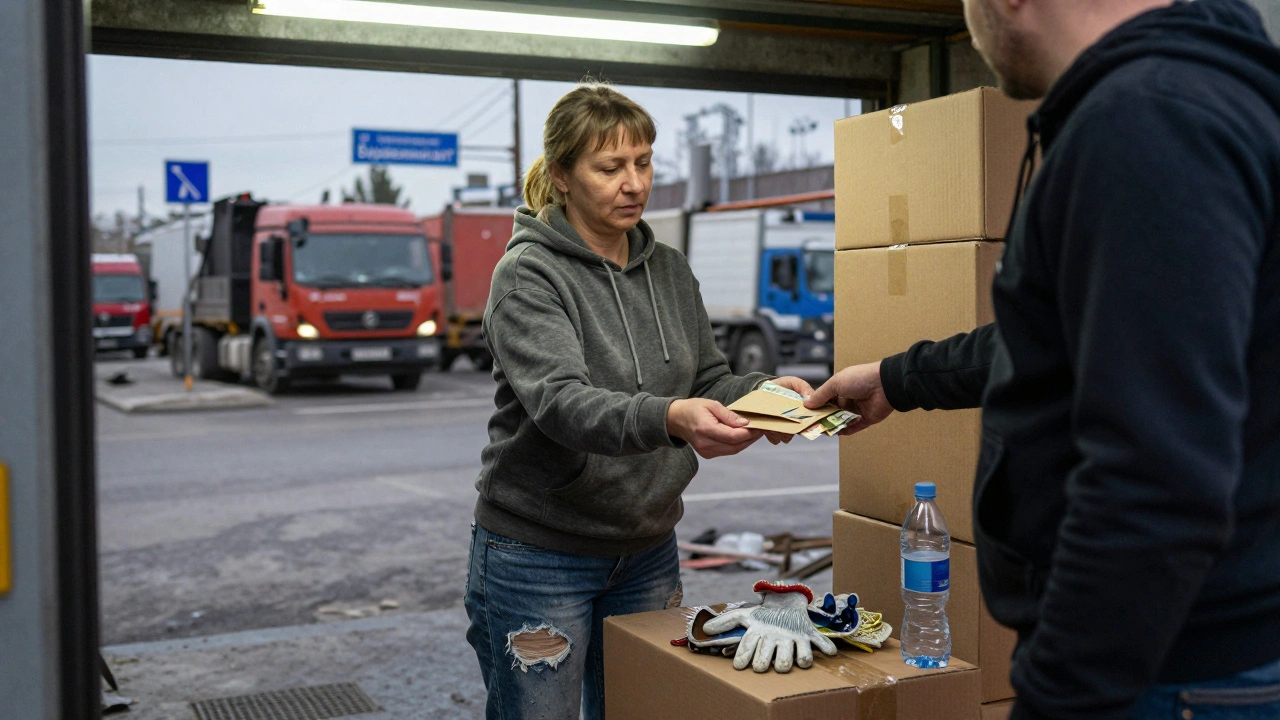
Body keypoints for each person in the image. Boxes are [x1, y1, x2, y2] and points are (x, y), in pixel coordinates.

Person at [806, 1, 1280, 718]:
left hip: (1169, 667)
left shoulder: (1145, 124)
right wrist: (899, 379)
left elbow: (1154, 476)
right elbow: (1079, 339)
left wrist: (1058, 698)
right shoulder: (1189, 99)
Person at [464, 83, 812, 720]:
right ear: (563, 176)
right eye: (609, 167)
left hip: (648, 545)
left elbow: (707, 379)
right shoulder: (528, 275)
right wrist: (670, 417)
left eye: (643, 162)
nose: (634, 183)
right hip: (542, 553)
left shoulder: (670, 269)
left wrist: (765, 396)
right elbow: (561, 404)